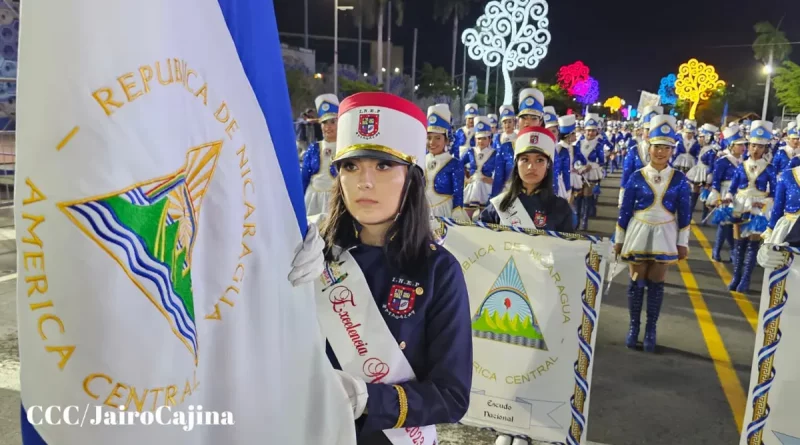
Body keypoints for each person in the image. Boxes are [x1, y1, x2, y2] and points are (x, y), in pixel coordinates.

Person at [289, 92, 472, 444]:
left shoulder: (438, 271)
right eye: (351, 166)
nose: (364, 181)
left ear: (412, 177)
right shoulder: (309, 253)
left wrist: (370, 399)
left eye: (383, 165)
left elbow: (451, 396)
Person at [614, 115, 691, 352]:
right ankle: (633, 326)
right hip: (638, 231)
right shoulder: (637, 176)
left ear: (672, 151)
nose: (660, 152)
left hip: (666, 232)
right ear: (649, 147)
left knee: (657, 282)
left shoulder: (680, 179)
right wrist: (619, 240)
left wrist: (683, 243)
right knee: (636, 281)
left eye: (666, 148)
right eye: (657, 147)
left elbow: (685, 214)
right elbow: (625, 211)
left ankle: (651, 328)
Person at [479, 126, 575, 232]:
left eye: (539, 160)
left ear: (548, 167)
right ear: (516, 166)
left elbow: (567, 247)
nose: (531, 167)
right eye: (525, 159)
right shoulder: (499, 204)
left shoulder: (560, 207)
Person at [725, 120, 777, 293]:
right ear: (749, 146)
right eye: (754, 145)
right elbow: (732, 188)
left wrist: (763, 203)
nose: (756, 149)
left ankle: (746, 279)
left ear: (765, 149)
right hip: (740, 205)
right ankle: (736, 277)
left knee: (752, 245)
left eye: (760, 147)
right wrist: (727, 197)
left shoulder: (770, 168)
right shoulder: (741, 166)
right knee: (739, 243)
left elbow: (774, 193)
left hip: (758, 208)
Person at [492, 88, 546, 198]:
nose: (527, 121)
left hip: (539, 203)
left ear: (540, 122)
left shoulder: (547, 148)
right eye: (524, 117)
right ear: (518, 120)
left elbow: (552, 183)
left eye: (533, 118)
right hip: (510, 202)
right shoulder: (506, 147)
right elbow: (498, 181)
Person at [707, 125, 746, 262]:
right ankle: (716, 251)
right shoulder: (723, 161)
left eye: (744, 145)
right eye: (740, 145)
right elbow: (716, 180)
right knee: (724, 224)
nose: (743, 148)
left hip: (739, 195)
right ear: (731, 145)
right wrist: (716, 195)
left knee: (734, 224)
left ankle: (733, 252)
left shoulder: (744, 162)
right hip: (724, 193)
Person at [425, 104, 468, 220]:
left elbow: (458, 194)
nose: (432, 143)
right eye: (429, 138)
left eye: (437, 138)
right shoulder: (421, 159)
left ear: (447, 140)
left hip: (444, 213)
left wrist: (457, 212)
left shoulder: (454, 163)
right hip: (422, 212)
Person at [301, 93, 340, 216]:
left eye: (332, 122)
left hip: (336, 200)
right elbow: (304, 177)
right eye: (324, 123)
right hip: (312, 200)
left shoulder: (345, 147)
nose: (328, 127)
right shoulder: (314, 147)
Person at [619, 105, 663, 208]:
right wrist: (623, 197)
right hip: (636, 196)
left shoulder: (664, 152)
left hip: (657, 198)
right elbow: (627, 174)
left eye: (654, 129)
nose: (650, 132)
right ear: (642, 130)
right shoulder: (634, 150)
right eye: (647, 129)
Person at [574, 113, 606, 230]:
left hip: (591, 174)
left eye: (593, 131)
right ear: (584, 131)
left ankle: (585, 221)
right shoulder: (579, 143)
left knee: (587, 197)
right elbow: (575, 157)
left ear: (596, 132)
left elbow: (601, 161)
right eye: (588, 131)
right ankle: (576, 218)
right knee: (578, 197)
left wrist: (590, 166)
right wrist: (578, 167)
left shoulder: (599, 145)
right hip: (579, 173)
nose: (590, 133)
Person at [463, 116, 499, 215]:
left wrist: (493, 181)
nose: (481, 141)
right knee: (467, 216)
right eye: (478, 139)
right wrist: (465, 179)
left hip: (487, 187)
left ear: (489, 139)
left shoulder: (495, 153)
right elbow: (458, 164)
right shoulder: (471, 151)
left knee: (485, 216)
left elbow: (502, 171)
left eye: (484, 138)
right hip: (472, 186)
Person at [686, 123, 720, 218]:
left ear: (707, 137)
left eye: (702, 137)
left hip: (705, 173)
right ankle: (689, 214)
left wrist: (709, 177)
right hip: (698, 171)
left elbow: (712, 164)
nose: (699, 139)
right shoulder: (702, 147)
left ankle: (703, 217)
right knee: (694, 191)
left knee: (705, 195)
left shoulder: (712, 150)